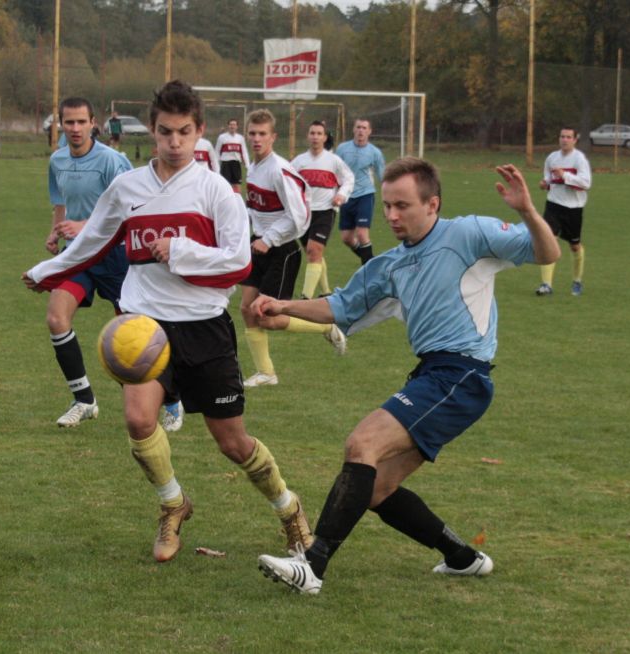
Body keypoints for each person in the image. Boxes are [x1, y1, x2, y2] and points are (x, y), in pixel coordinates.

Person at [24, 80, 314, 563]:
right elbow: (92, 241)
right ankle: (173, 505)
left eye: (184, 132)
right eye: (165, 132)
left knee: (233, 442)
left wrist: (181, 250)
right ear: (152, 132)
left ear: (201, 132)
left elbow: (239, 263)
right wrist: (44, 272)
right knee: (139, 420)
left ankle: (288, 509)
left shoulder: (216, 191)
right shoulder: (128, 187)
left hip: (204, 325)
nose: (174, 142)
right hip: (144, 324)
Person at [252, 158, 560, 595]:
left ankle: (312, 565)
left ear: (432, 204)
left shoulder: (467, 234)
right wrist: (283, 305)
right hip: (433, 375)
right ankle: (463, 557)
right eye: (387, 207)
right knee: (376, 487)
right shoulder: (391, 263)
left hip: (462, 374)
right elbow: (339, 306)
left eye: (403, 206)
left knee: (362, 444)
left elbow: (547, 253)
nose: (392, 216)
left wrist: (529, 211)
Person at [43, 97, 183, 430]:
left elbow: (130, 208)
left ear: (94, 123)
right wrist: (55, 232)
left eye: (81, 122)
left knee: (134, 336)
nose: (75, 129)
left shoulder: (112, 161)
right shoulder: (57, 160)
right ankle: (84, 399)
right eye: (69, 122)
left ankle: (172, 399)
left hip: (115, 255)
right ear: (60, 124)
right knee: (56, 317)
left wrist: (85, 226)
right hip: (78, 254)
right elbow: (60, 202)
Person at [239, 110, 347, 389]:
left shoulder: (280, 169)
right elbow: (256, 209)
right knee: (246, 309)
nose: (256, 139)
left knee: (266, 316)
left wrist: (270, 238)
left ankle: (326, 326)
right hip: (259, 244)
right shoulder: (253, 167)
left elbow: (299, 216)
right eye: (252, 133)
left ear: (273, 136)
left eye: (262, 134)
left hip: (281, 249)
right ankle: (266, 373)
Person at [290, 120, 355, 300]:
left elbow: (348, 178)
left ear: (325, 137)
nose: (315, 137)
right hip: (304, 213)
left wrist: (341, 195)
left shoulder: (334, 161)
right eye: (312, 133)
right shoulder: (299, 162)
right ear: (308, 136)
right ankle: (326, 291)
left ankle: (306, 298)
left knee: (314, 250)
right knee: (314, 254)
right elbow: (288, 183)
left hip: (325, 211)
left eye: (319, 133)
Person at [537, 127, 591, 296]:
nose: (564, 140)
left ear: (575, 140)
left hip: (573, 208)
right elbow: (548, 178)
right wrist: (545, 183)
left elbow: (586, 183)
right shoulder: (552, 158)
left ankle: (577, 281)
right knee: (548, 242)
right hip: (553, 205)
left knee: (574, 246)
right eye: (562, 136)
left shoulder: (579, 159)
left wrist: (565, 175)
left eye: (568, 137)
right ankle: (546, 285)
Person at [336, 118, 386, 264]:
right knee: (346, 238)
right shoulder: (342, 149)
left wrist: (387, 201)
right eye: (358, 127)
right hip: (346, 196)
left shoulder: (375, 153)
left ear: (369, 132)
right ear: (353, 129)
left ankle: (368, 272)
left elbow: (383, 178)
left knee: (362, 234)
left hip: (365, 195)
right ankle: (372, 261)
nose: (361, 131)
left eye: (364, 128)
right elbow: (334, 171)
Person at [215, 118, 250, 193]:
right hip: (225, 163)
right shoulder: (222, 137)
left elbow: (244, 152)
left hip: (236, 163)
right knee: (225, 184)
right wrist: (216, 164)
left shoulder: (240, 138)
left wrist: (247, 165)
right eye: (231, 124)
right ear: (228, 126)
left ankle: (237, 202)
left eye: (234, 125)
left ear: (237, 126)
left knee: (237, 184)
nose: (232, 126)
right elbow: (217, 151)